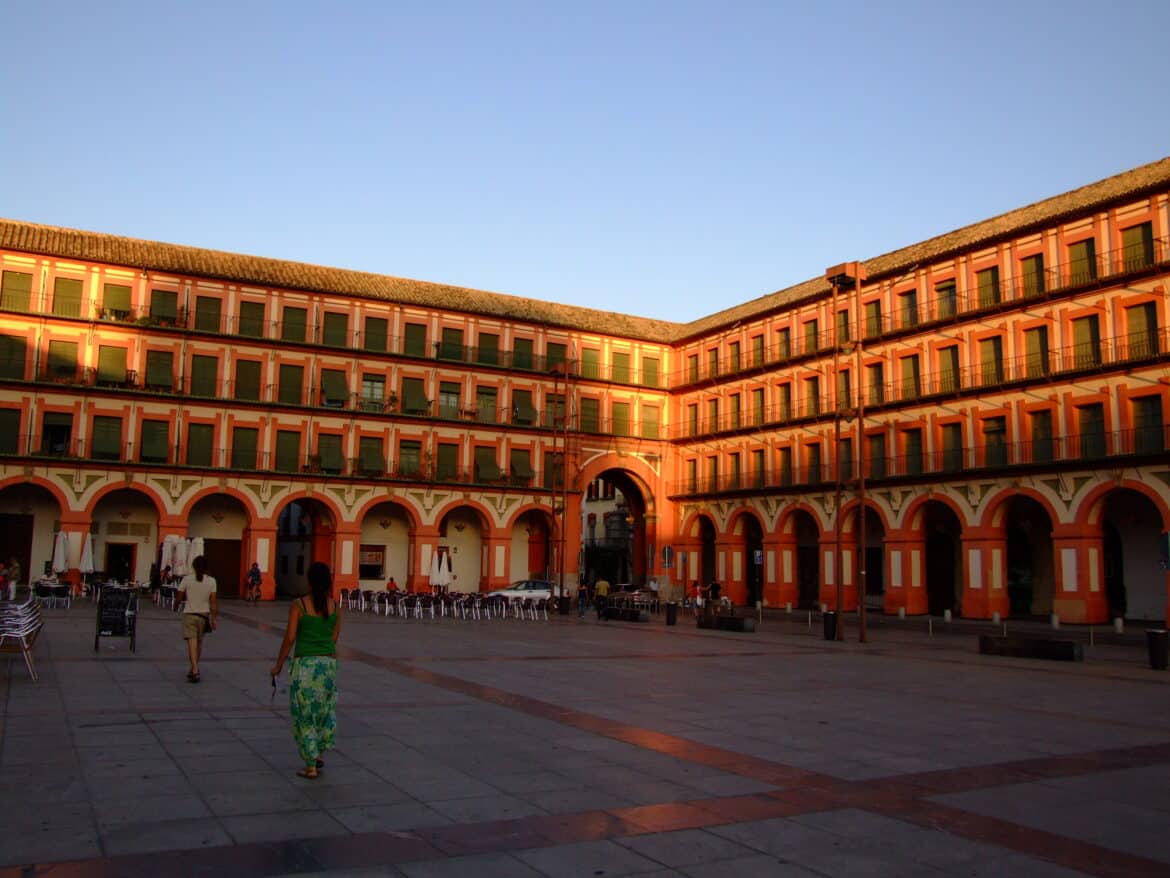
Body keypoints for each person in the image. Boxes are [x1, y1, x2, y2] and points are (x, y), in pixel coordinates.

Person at [270, 562, 341, 780]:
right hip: (327, 665)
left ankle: (310, 765)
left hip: (305, 666)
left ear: (309, 581)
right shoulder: (335, 607)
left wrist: (279, 664)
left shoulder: (299, 605)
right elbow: (334, 638)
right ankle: (318, 752)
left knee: (304, 713)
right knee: (322, 711)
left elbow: (290, 637)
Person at [178, 555, 217, 683]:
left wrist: (176, 604)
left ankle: (195, 670)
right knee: (199, 644)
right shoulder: (211, 581)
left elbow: (179, 597)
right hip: (203, 617)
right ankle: (194, 668)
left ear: (193, 566)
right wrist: (214, 618)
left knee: (192, 644)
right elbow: (213, 602)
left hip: (190, 615)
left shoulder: (187, 579)